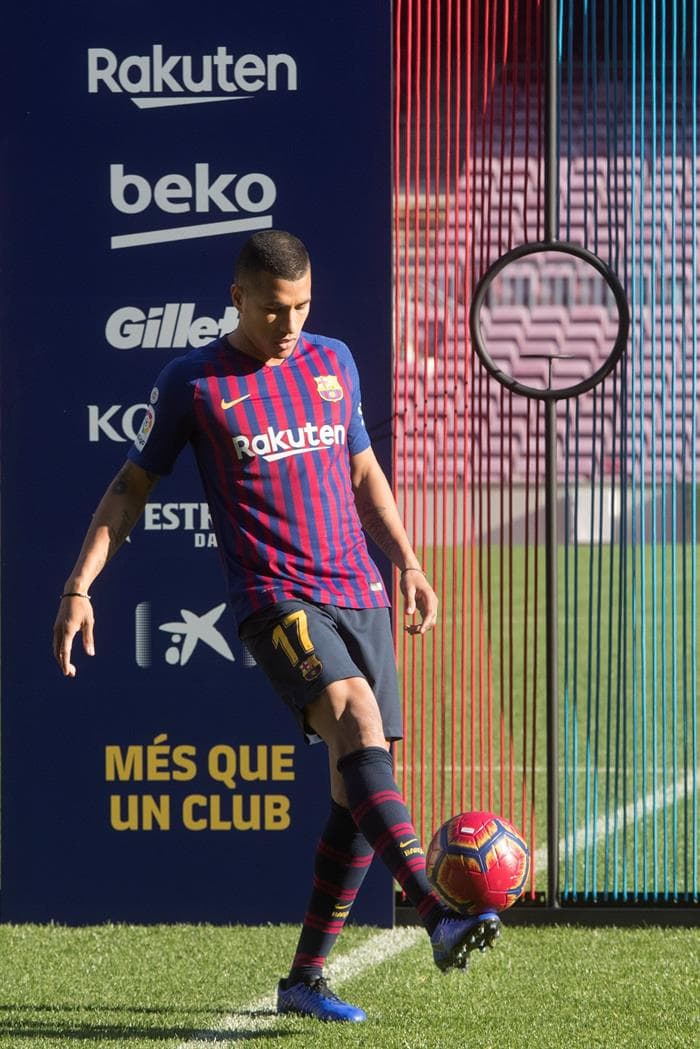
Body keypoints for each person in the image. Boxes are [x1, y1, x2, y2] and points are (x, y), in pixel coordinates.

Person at [52, 230, 500, 1023]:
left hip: (358, 588)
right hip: (276, 597)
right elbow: (129, 489)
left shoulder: (333, 361)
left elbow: (364, 472)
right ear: (236, 298)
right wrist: (80, 584)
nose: (289, 323)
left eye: (301, 306)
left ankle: (304, 980)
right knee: (357, 717)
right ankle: (439, 912)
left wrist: (410, 564)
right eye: (272, 308)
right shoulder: (193, 383)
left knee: (354, 780)